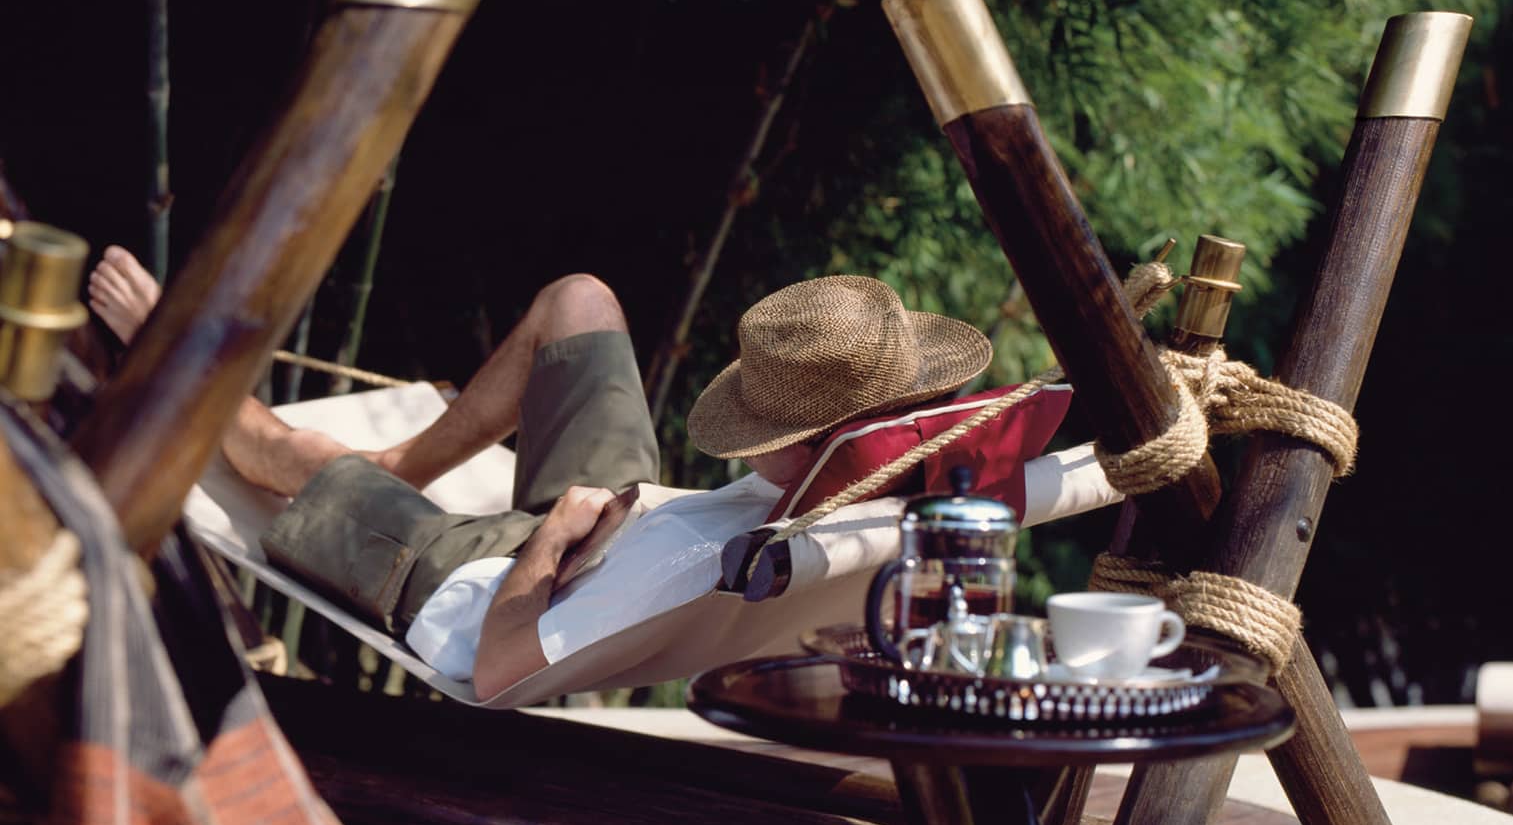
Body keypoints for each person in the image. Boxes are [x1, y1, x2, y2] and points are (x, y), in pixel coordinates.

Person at [90, 248, 993, 698]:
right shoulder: (875, 483)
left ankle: (163, 347)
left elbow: (498, 669)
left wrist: (557, 535)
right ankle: (404, 462)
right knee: (581, 301)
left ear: (780, 442)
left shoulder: (700, 563)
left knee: (293, 458)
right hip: (628, 516)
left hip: (482, 583)